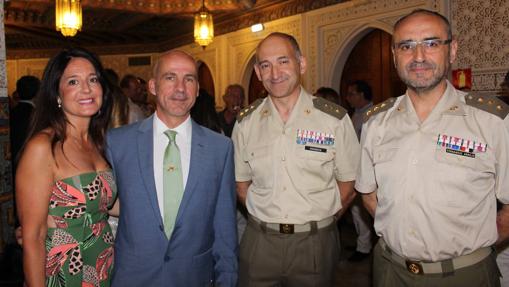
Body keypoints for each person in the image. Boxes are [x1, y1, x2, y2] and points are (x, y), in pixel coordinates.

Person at [356, 9, 509, 287]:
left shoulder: (492, 121)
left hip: (465, 276)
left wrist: (472, 248)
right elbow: (368, 195)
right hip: (390, 272)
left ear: (452, 51)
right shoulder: (376, 123)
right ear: (394, 56)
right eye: (406, 46)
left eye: (431, 43)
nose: (418, 57)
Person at [232, 32, 360, 286]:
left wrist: (322, 220)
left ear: (301, 64)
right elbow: (241, 183)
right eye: (265, 65)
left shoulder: (333, 119)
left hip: (315, 243)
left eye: (283, 61)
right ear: (257, 72)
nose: (274, 72)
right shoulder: (246, 122)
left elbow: (349, 183)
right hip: (260, 242)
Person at [106, 50, 237, 286]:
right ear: (153, 86)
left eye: (189, 79)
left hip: (193, 277)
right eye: (170, 78)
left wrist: (226, 279)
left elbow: (225, 227)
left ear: (197, 89)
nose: (180, 88)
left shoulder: (221, 148)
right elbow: (95, 205)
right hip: (132, 278)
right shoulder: (117, 143)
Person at [16, 47, 116, 287]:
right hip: (63, 271)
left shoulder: (100, 142)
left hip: (102, 266)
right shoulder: (43, 147)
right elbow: (33, 237)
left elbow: (113, 205)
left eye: (93, 79)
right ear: (57, 95)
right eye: (73, 81)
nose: (87, 88)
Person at [344, 80, 374, 261]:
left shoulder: (373, 114)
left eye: (352, 94)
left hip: (366, 169)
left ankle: (364, 247)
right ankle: (362, 242)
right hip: (353, 168)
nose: (348, 98)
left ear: (362, 95)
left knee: (360, 210)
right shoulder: (355, 114)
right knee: (356, 211)